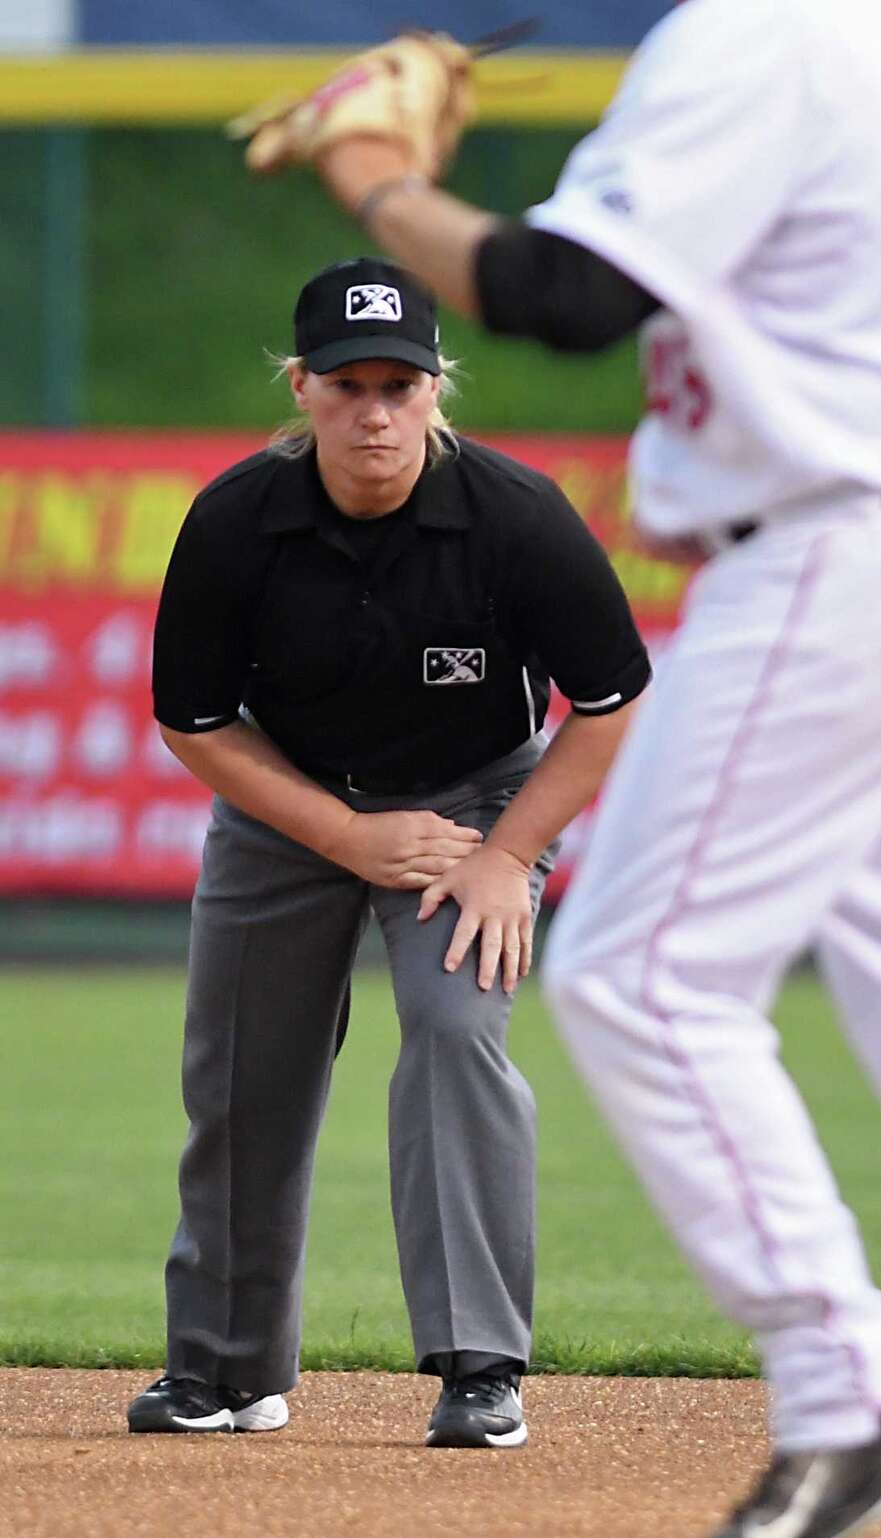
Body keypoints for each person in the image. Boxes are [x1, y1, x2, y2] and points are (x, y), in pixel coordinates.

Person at [248, 0, 881, 1538]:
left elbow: (562, 294)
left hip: (841, 561)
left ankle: (851, 1392)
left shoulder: (762, 32)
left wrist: (374, 168)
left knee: (638, 972)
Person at [130, 255, 650, 1449]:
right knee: (240, 1074)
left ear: (437, 392)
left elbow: (612, 700)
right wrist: (347, 836)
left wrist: (507, 858)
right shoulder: (238, 520)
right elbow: (195, 721)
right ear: (302, 386)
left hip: (476, 804)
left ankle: (481, 1366)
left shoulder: (513, 518)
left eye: (401, 384)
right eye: (350, 383)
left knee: (458, 1034)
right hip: (292, 804)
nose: (376, 410)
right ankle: (224, 1368)